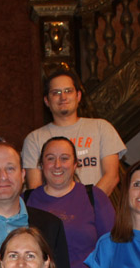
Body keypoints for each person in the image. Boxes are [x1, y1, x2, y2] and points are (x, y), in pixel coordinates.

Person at [26, 136, 115, 268]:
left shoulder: (94, 196)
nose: (57, 165)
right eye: (50, 158)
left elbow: (114, 250)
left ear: (75, 164)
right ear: (41, 165)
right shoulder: (26, 202)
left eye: (64, 158)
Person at [22, 69, 126, 197]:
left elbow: (112, 176)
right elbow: (35, 187)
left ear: (78, 96)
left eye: (68, 91)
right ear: (47, 101)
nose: (63, 97)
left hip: (95, 211)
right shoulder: (34, 139)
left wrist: (85, 206)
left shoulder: (101, 128)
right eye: (56, 92)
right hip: (53, 214)